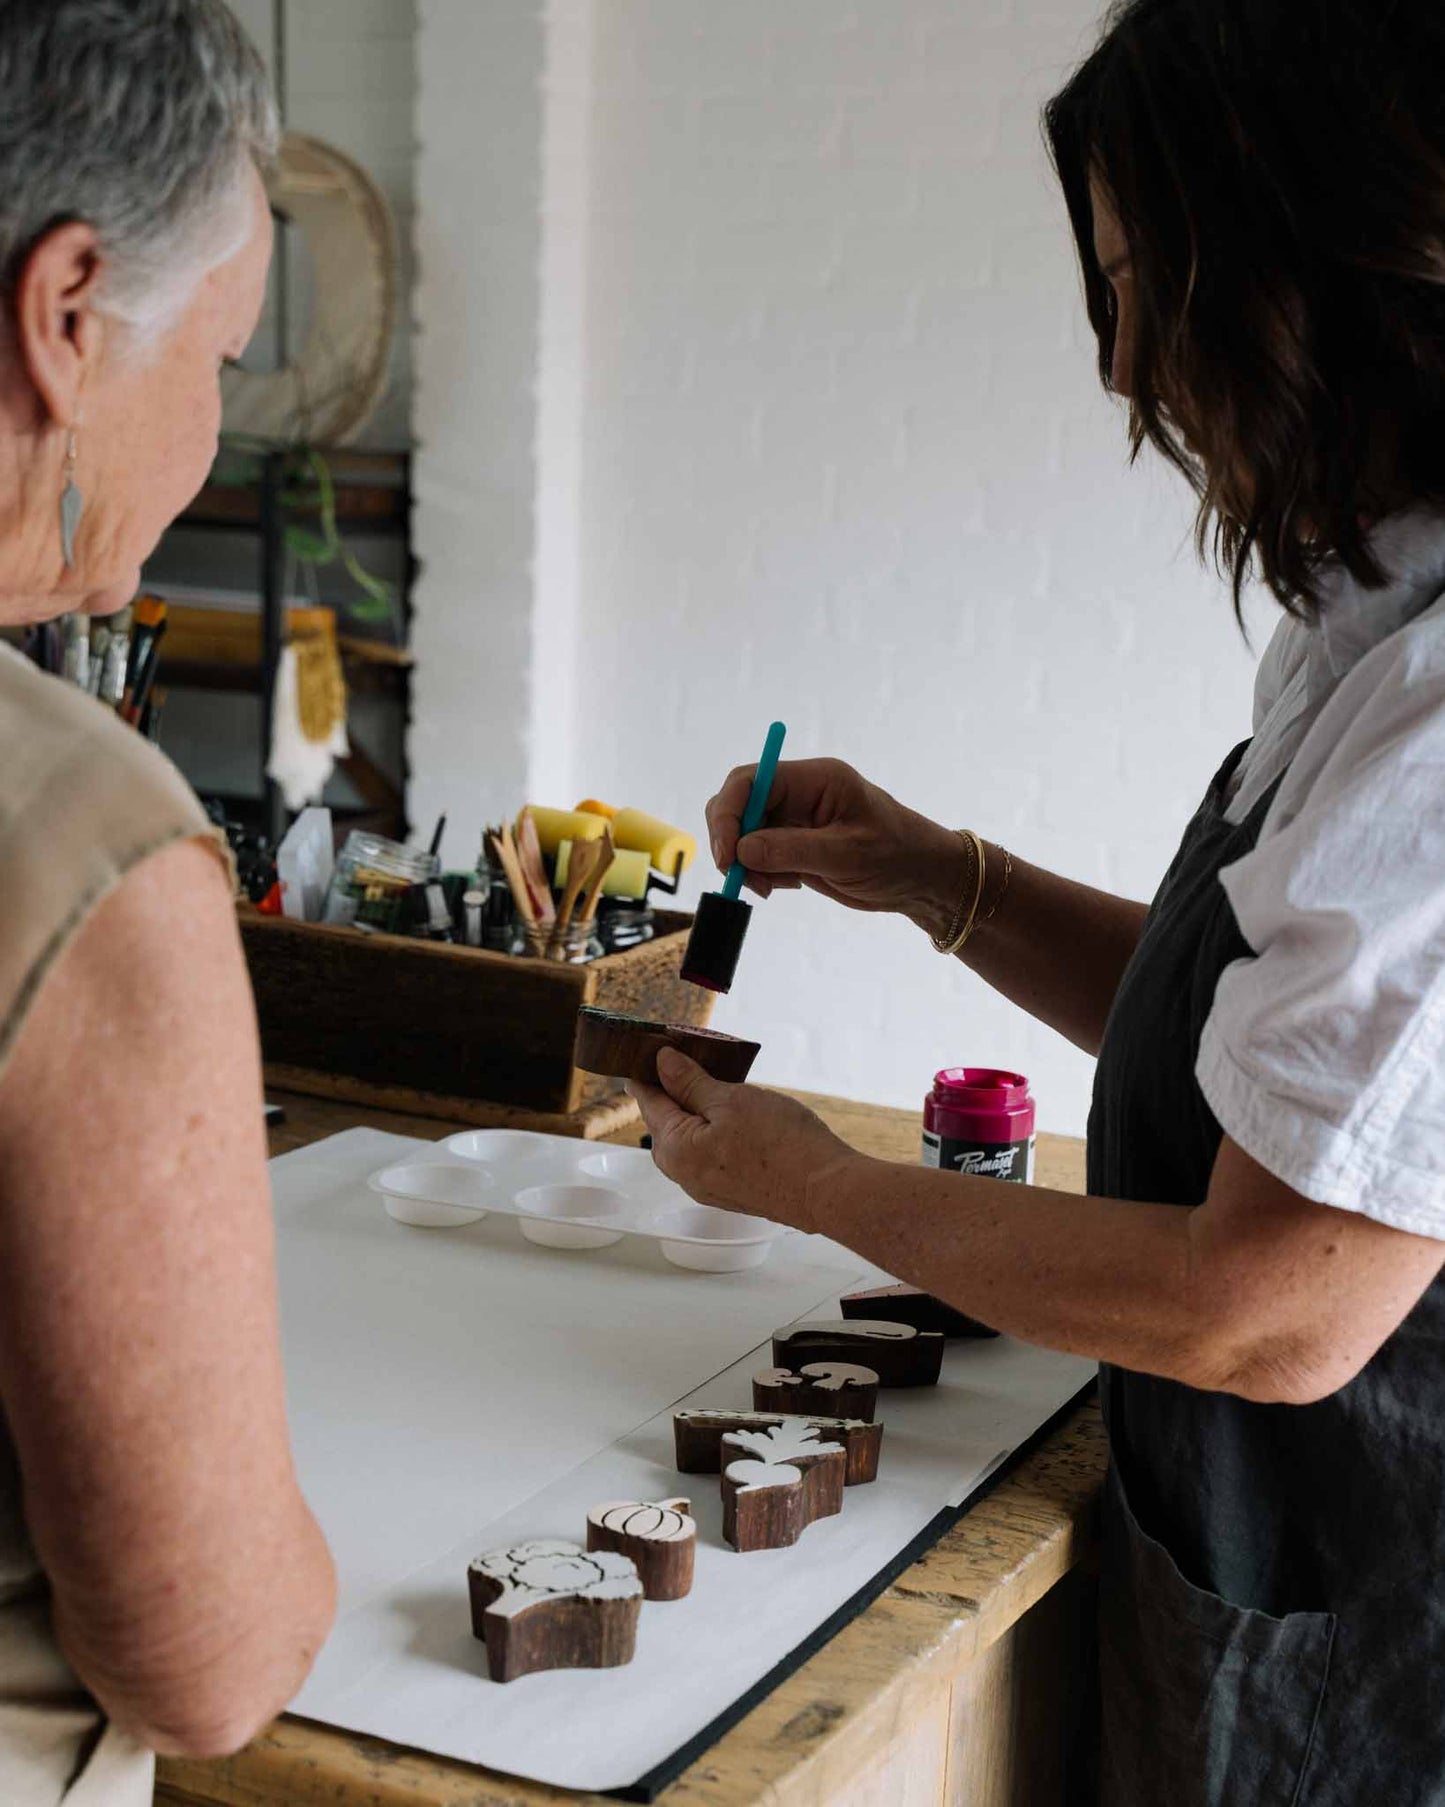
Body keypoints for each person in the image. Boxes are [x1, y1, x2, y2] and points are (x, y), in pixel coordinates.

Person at [632, 0, 1445, 1799]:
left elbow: (1266, 1305)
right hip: (1249, 1562)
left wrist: (821, 1186)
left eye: (1145, 280)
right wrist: (941, 878)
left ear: (1316, 269)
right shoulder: (1364, 623)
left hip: (1375, 1660)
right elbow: (1268, 1072)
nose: (1120, 364)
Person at [0, 4, 334, 1802]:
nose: (206, 426)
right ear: (64, 316)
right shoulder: (69, 831)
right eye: (211, 356)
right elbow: (200, 1653)